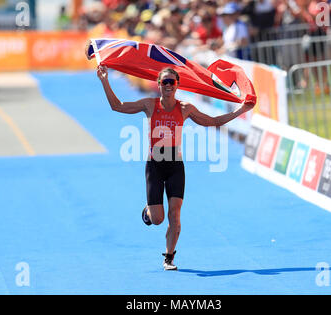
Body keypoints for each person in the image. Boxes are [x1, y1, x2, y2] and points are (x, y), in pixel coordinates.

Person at [96, 66, 255, 270]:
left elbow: (213, 121)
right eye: (165, 82)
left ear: (178, 85)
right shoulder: (149, 105)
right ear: (159, 84)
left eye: (172, 82)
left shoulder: (185, 108)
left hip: (175, 166)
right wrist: (104, 81)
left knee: (175, 215)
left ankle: (169, 257)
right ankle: (149, 211)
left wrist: (241, 110)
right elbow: (117, 106)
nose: (169, 86)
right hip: (154, 166)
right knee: (158, 219)